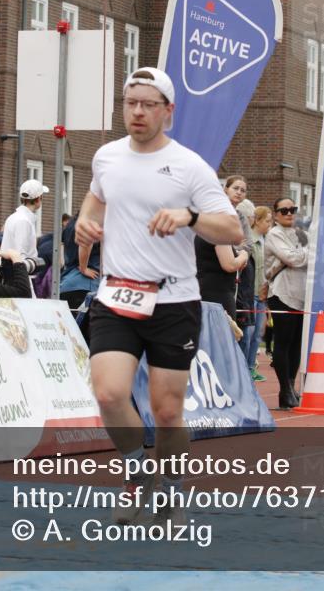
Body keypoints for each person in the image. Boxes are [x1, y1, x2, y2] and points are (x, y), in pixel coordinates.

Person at [74, 67, 241, 522]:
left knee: (166, 412)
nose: (138, 112)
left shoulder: (190, 166)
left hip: (173, 301)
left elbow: (232, 230)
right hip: (116, 295)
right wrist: (85, 223)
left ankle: (171, 487)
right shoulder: (107, 157)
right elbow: (94, 201)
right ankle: (136, 473)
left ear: (168, 111)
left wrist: (190, 217)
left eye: (148, 105)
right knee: (109, 393)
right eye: (131, 103)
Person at [265, 197, 308, 410]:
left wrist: (303, 254)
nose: (289, 213)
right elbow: (292, 259)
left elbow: (300, 258)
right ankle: (285, 389)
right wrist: (309, 251)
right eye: (284, 210)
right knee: (283, 342)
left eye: (292, 209)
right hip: (282, 294)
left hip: (301, 295)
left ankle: (290, 387)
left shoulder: (300, 234)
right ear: (275, 215)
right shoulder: (274, 234)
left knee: (297, 343)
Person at [60, 214, 101, 342]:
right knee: (84, 341)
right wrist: (83, 268)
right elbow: (86, 243)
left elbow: (61, 250)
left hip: (67, 283)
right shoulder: (93, 223)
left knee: (67, 337)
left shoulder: (70, 225)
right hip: (87, 286)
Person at [0, 179, 50, 273]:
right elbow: (20, 255)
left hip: (13, 273)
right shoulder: (24, 221)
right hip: (18, 275)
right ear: (38, 199)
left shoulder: (14, 217)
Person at [247, 205, 273, 381]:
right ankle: (243, 367)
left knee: (257, 334)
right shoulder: (251, 241)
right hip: (251, 293)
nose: (269, 225)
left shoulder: (266, 241)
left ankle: (250, 367)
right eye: (267, 221)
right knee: (248, 333)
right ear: (257, 220)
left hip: (262, 293)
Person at [235, 199, 257, 368]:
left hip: (247, 298)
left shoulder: (248, 247)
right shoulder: (233, 247)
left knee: (247, 337)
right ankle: (241, 371)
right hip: (239, 299)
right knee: (243, 338)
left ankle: (245, 371)